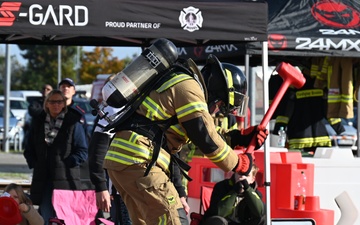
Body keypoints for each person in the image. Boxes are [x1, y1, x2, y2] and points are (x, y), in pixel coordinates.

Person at [101, 38, 268, 225]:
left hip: (125, 162)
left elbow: (200, 136)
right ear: (217, 92)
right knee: (175, 220)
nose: (216, 111)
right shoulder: (189, 88)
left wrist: (238, 137)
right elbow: (205, 137)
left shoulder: (182, 83)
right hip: (140, 162)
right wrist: (239, 163)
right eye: (220, 105)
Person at [23, 89, 88, 225]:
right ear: (47, 104)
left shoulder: (73, 123)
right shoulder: (38, 123)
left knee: (64, 218)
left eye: (59, 102)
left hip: (66, 179)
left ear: (64, 104)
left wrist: (68, 163)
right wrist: (35, 163)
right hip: (43, 179)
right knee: (46, 216)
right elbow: (28, 148)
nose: (56, 105)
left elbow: (82, 150)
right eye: (52, 102)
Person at [201, 164, 265, 225]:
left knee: (264, 219)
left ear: (252, 179)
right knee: (217, 221)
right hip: (225, 221)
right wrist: (234, 191)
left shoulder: (256, 193)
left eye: (247, 175)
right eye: (240, 174)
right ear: (235, 175)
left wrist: (247, 190)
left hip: (243, 222)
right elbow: (219, 213)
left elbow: (260, 213)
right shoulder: (221, 186)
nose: (242, 177)